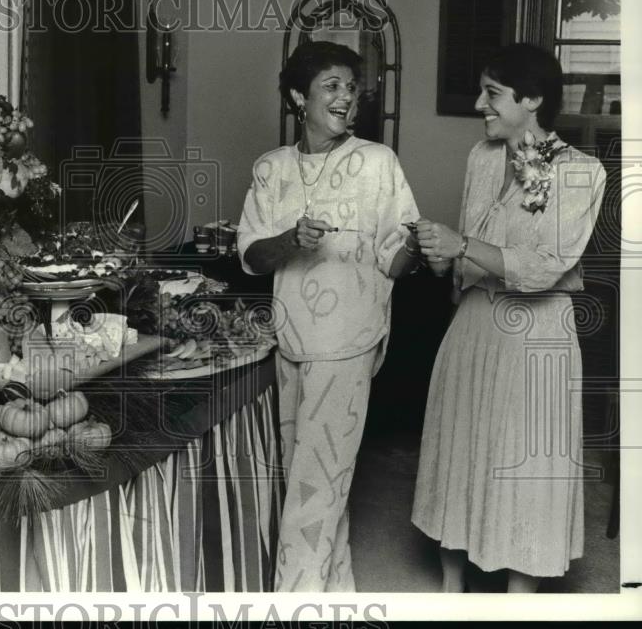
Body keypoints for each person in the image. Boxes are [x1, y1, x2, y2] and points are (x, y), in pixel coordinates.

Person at [410, 43, 606, 593]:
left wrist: (463, 243)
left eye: (492, 93)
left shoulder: (581, 173)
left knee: (527, 461)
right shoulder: (481, 157)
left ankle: (519, 597)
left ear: (534, 99)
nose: (480, 105)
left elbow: (543, 268)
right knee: (462, 446)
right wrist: (440, 252)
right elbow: (467, 249)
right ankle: (452, 586)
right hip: (473, 321)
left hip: (536, 335)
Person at [237, 40, 421, 591]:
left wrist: (415, 243)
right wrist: (290, 240)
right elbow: (250, 256)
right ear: (299, 96)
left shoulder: (376, 162)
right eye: (331, 86)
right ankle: (337, 595)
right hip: (289, 340)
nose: (347, 97)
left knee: (315, 487)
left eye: (351, 86)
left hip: (348, 342)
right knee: (313, 482)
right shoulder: (272, 169)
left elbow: (396, 263)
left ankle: (294, 604)